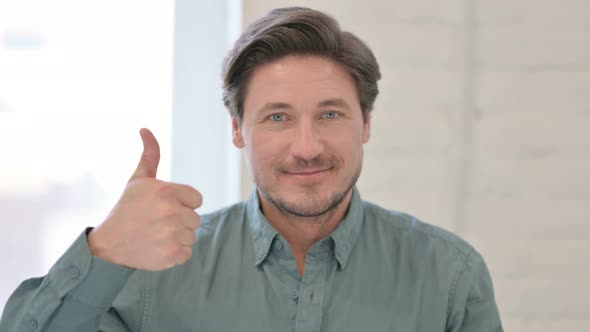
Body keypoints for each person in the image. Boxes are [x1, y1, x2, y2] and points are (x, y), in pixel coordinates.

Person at [0, 7, 503, 332]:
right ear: (238, 129)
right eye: (278, 117)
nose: (306, 148)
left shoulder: (449, 277)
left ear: (366, 123)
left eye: (330, 114)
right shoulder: (151, 273)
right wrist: (103, 251)